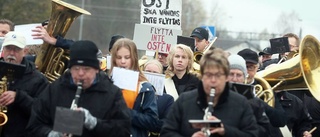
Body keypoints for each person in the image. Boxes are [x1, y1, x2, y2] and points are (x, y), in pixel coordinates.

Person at [27, 40, 131, 137]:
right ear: (70, 69)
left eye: (86, 69)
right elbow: (34, 125)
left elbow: (124, 131)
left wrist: (95, 123)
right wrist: (51, 134)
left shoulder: (112, 93)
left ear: (96, 69)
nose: (81, 73)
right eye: (76, 68)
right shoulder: (54, 89)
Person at [161, 48, 259, 137]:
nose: (213, 80)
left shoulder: (241, 103)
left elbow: (253, 134)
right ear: (202, 76)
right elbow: (166, 132)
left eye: (218, 75)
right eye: (208, 75)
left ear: (226, 77)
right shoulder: (184, 101)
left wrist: (226, 131)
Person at [0, 31, 48, 137]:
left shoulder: (38, 79)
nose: (11, 53)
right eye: (8, 48)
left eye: (16, 49)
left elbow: (43, 113)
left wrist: (19, 97)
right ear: (3, 50)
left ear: (25, 51)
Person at [109, 38, 158, 137]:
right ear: (114, 59)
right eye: (119, 57)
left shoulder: (145, 87)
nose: (123, 61)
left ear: (134, 58)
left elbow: (152, 122)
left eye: (127, 57)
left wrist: (125, 112)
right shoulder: (105, 83)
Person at [238, 48, 288, 137]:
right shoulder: (227, 88)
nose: (246, 71)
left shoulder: (264, 88)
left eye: (251, 67)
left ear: (257, 67)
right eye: (243, 67)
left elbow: (281, 120)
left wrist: (258, 102)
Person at [227, 54, 271, 137]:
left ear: (244, 77)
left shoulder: (254, 102)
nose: (235, 79)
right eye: (231, 74)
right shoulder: (216, 97)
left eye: (239, 75)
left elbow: (264, 130)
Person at [143, 59, 174, 137]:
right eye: (148, 72)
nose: (151, 75)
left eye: (155, 73)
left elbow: (166, 123)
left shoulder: (167, 99)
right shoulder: (134, 94)